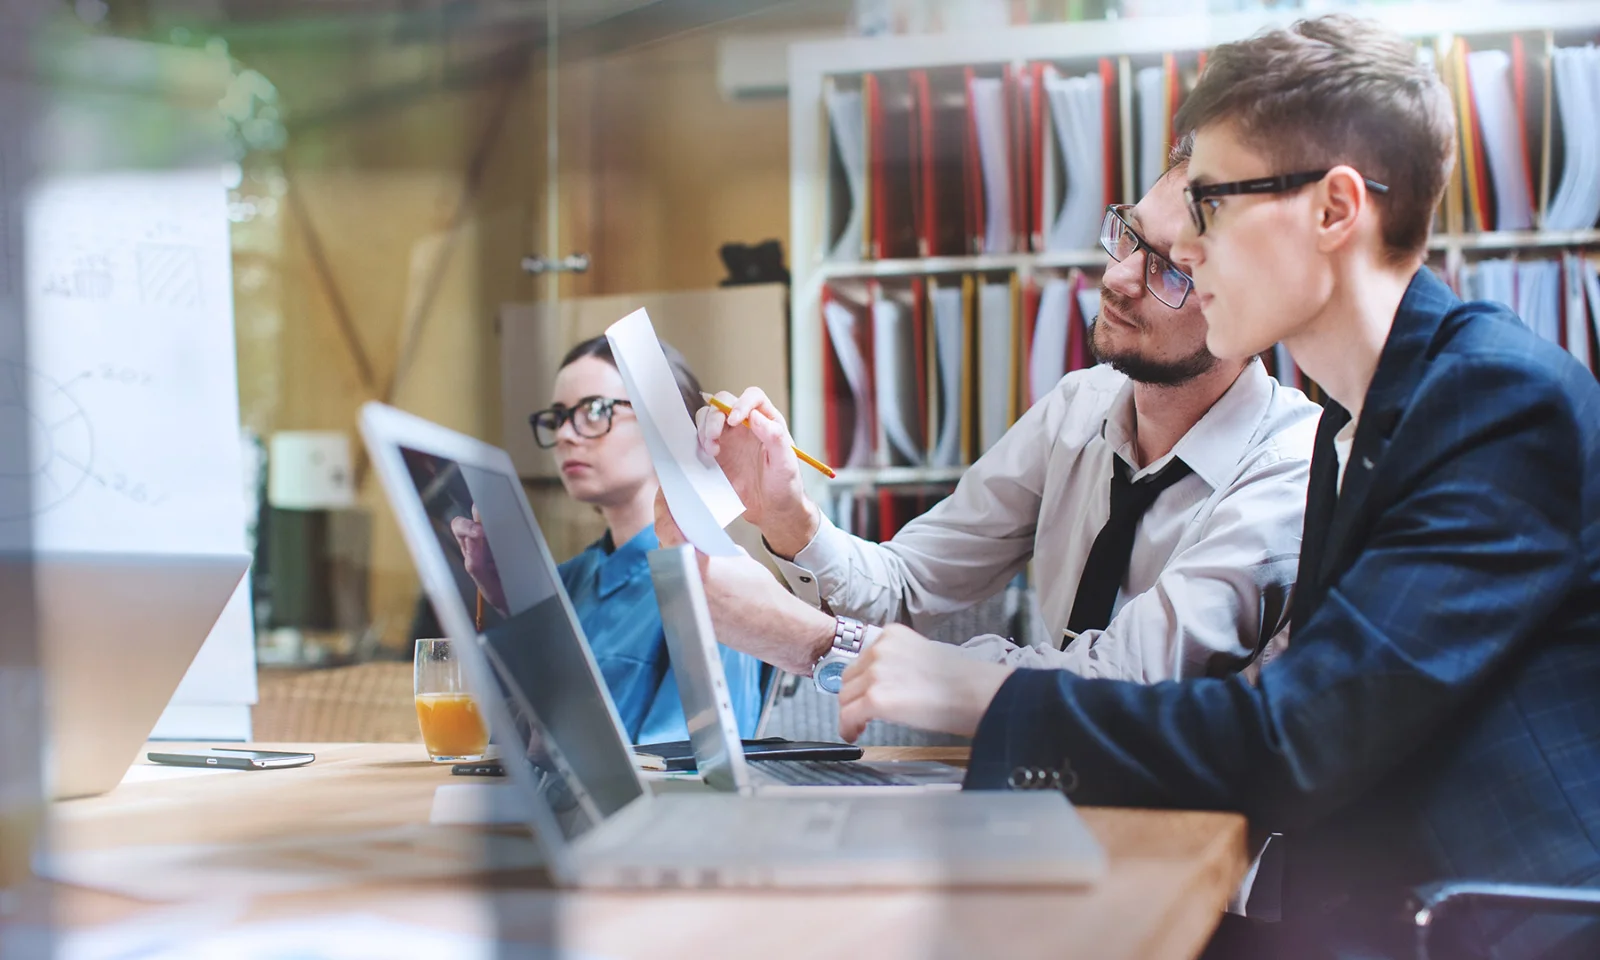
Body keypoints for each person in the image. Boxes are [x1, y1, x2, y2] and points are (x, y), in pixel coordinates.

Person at [842, 15, 1596, 959]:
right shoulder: (1352, 426)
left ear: (1334, 210)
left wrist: (980, 695)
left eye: (1211, 208)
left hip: (1497, 925)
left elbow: (1296, 738)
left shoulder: (1496, 401)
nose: (1181, 258)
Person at [682, 158, 1319, 726]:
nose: (1120, 278)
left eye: (1171, 273)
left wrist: (818, 642)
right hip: (1043, 792)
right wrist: (789, 518)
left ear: (1252, 312)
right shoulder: (1080, 408)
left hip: (1187, 837)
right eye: (1128, 237)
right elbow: (909, 585)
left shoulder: (1289, 470)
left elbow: (1117, 685)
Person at [453, 335, 764, 745]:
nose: (565, 434)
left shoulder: (716, 582)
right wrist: (510, 611)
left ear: (664, 422)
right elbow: (506, 746)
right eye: (559, 416)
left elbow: (693, 768)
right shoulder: (563, 583)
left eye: (594, 411)